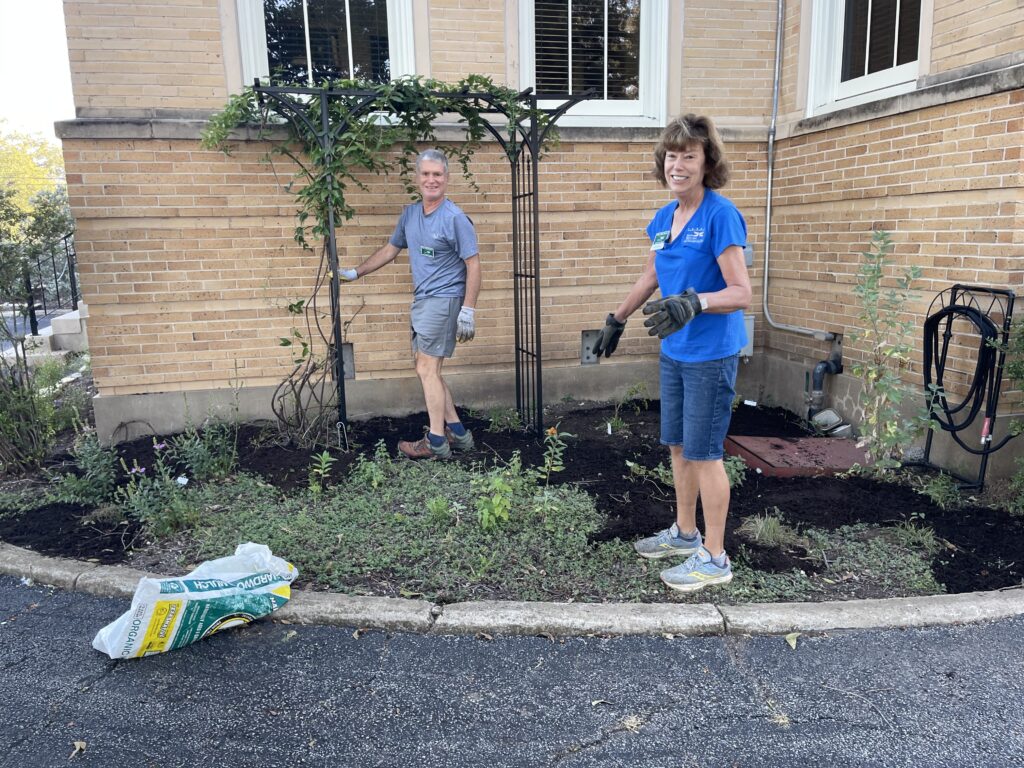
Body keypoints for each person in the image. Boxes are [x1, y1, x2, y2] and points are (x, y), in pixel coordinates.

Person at [591, 113, 752, 593]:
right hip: (675, 351)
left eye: (689, 156)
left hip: (710, 354)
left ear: (707, 163)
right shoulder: (664, 218)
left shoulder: (719, 214)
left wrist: (696, 301)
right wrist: (615, 319)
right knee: (678, 445)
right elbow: (651, 276)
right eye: (672, 156)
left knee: (705, 454)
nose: (678, 165)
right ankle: (685, 534)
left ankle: (716, 558)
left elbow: (741, 291)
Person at [340, 149, 481, 459]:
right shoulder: (410, 215)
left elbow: (473, 264)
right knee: (429, 369)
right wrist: (355, 273)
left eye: (438, 174)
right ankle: (457, 433)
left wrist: (468, 309)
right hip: (423, 302)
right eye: (426, 174)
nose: (432, 180)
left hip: (444, 301)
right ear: (417, 178)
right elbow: (391, 250)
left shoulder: (455, 219)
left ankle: (436, 441)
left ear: (447, 178)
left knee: (427, 368)